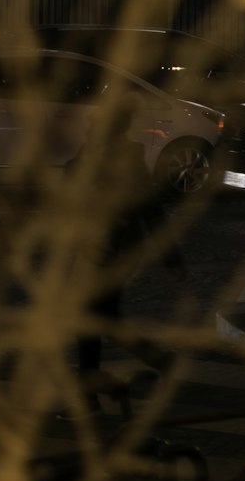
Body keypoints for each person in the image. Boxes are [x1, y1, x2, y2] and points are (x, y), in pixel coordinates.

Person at [70, 96, 186, 391]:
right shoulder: (94, 155)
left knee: (89, 320)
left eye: (94, 123)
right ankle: (159, 360)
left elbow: (150, 210)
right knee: (103, 319)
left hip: (110, 255)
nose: (88, 127)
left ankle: (89, 393)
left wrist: (171, 258)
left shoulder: (124, 163)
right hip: (94, 252)